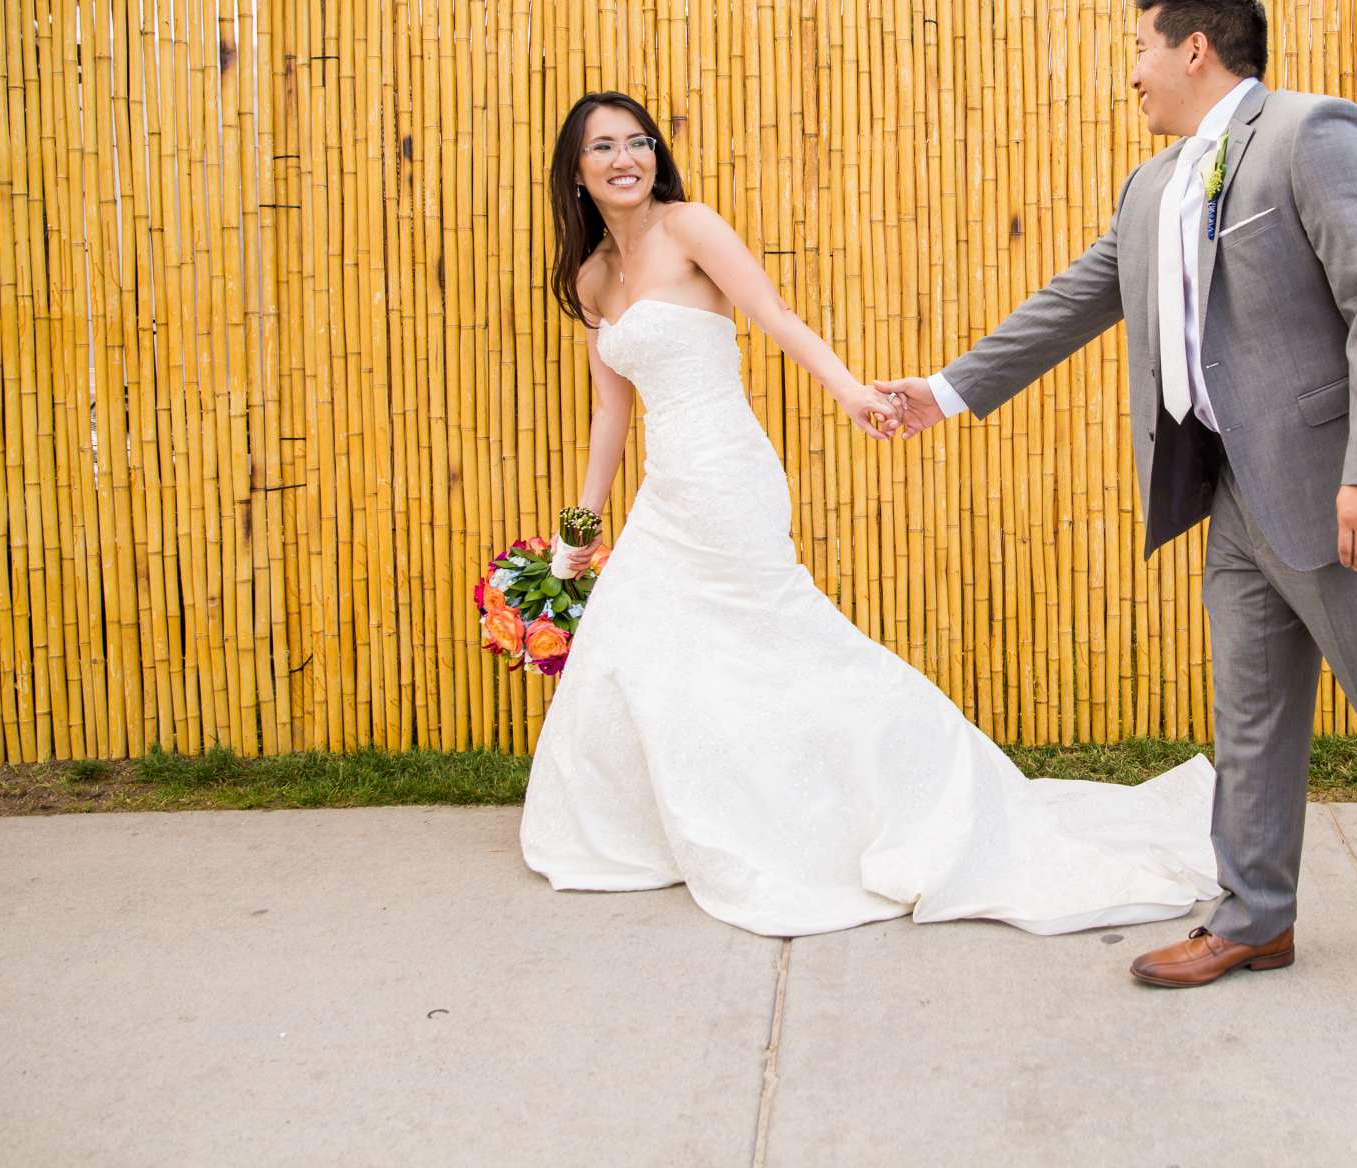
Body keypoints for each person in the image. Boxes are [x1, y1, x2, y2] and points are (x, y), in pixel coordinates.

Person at [876, 0, 1357, 1013]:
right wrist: (945, 391)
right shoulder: (1153, 185)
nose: (1130, 70)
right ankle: (1253, 914)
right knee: (1252, 720)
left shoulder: (1313, 134)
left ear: (1193, 51)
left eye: (1140, 46)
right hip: (1231, 491)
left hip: (1345, 488)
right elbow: (1078, 298)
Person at [517, 90, 1219, 937]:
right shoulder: (594, 278)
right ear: (578, 170)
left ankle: (920, 795)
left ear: (656, 156)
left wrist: (850, 391)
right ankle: (695, 820)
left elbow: (774, 316)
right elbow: (610, 412)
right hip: (664, 491)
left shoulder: (690, 227)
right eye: (603, 148)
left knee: (788, 643)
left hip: (728, 476)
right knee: (640, 648)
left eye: (638, 143)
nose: (625, 159)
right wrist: (580, 530)